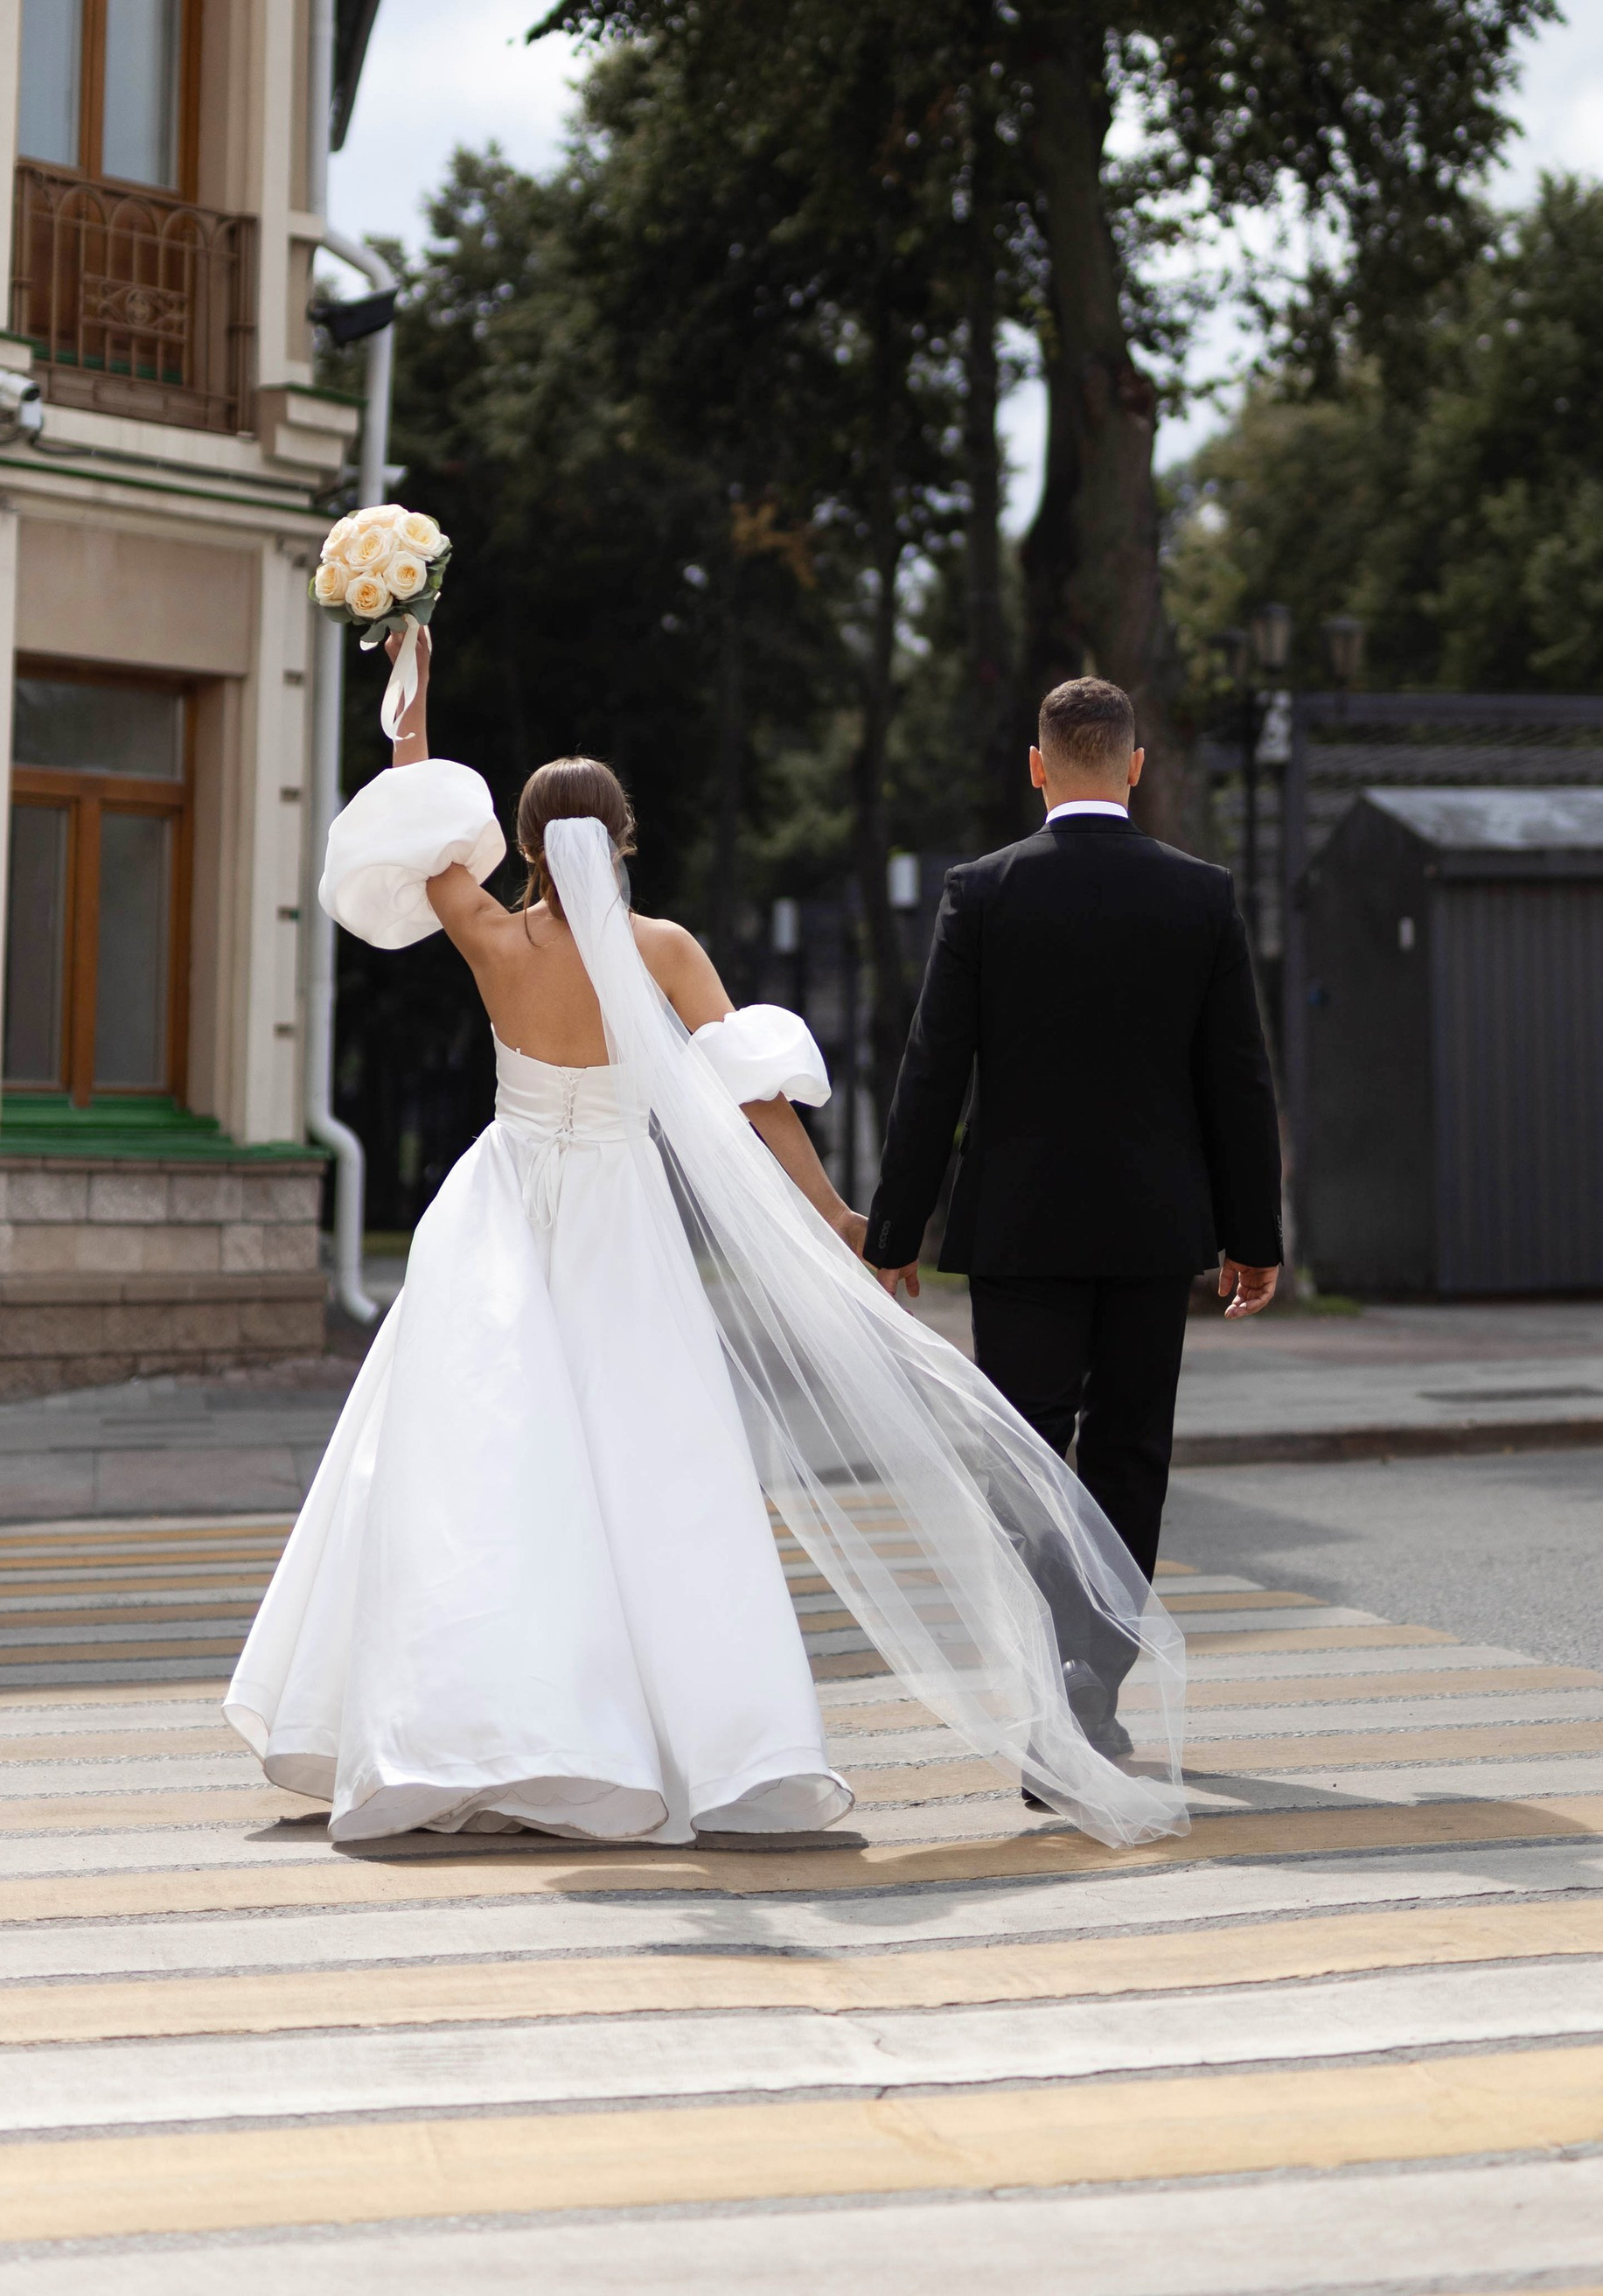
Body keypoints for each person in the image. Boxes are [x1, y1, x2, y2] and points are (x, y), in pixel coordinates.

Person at [226, 633, 1190, 1851]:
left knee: (476, 1467)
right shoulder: (664, 952)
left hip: (504, 1213)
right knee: (657, 1476)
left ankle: (468, 1730)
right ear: (625, 842)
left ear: (522, 848)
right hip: (622, 1217)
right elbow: (750, 1094)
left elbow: (424, 832)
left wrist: (410, 712)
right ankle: (694, 1740)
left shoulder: (490, 937)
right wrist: (837, 1216)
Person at [863, 676, 1283, 1780]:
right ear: (1135, 766)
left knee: (1026, 1459)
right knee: (1131, 1456)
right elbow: (1236, 1077)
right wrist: (1254, 1235)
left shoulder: (984, 892)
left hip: (1020, 1230)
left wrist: (894, 1227)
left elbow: (932, 1068)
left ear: (1038, 764)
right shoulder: (1200, 896)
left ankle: (1054, 1679)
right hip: (1155, 1230)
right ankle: (1094, 1675)